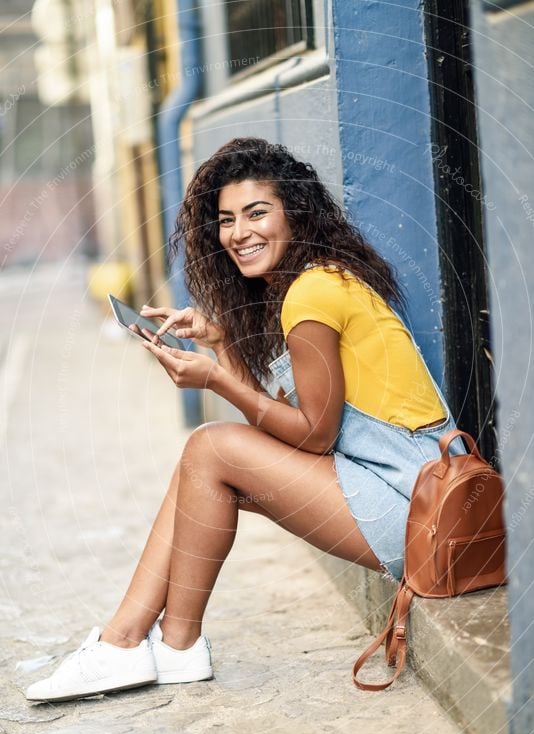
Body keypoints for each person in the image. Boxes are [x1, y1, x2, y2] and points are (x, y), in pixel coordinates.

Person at [26, 137, 466, 702]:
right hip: (396, 486)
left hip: (414, 504)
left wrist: (214, 379)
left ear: (296, 213)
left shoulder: (311, 295)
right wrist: (222, 343)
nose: (239, 232)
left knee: (211, 447)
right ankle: (148, 644)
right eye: (227, 219)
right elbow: (284, 430)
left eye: (258, 213)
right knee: (206, 468)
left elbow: (314, 435)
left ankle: (144, 645)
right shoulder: (321, 280)